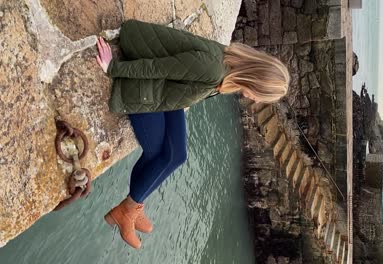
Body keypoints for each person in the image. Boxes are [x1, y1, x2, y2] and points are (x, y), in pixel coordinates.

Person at [95, 19, 290, 249]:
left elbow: (185, 80)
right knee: (157, 153)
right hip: (146, 80)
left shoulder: (229, 70)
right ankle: (127, 210)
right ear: (255, 82)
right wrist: (113, 68)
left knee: (178, 156)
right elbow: (159, 67)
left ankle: (134, 205)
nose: (256, 100)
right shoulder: (213, 69)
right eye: (260, 95)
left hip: (167, 90)